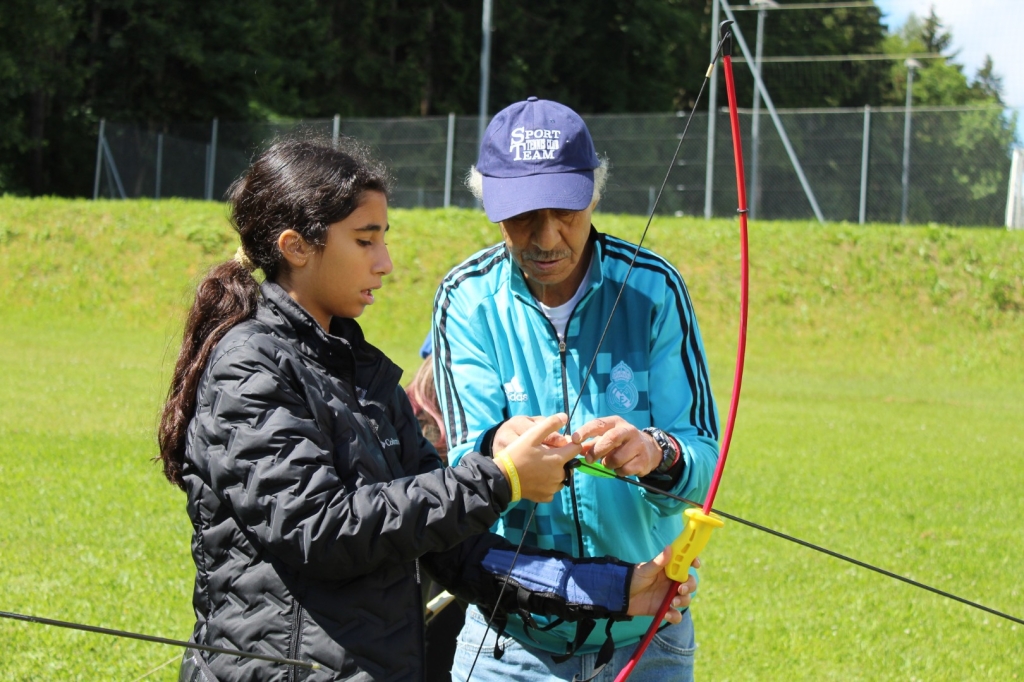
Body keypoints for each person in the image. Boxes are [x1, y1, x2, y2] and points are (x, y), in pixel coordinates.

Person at [155, 138, 698, 682]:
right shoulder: (248, 366)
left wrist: (615, 590)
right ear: (296, 247)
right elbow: (320, 529)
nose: (385, 262)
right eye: (365, 241)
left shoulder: (362, 372)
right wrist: (502, 479)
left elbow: (452, 549)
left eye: (384, 239)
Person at [432, 98, 720, 681]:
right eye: (521, 215)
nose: (546, 238)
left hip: (648, 638)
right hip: (509, 641)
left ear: (593, 193)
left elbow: (703, 461)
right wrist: (499, 451)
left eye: (564, 210)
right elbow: (463, 465)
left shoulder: (654, 289)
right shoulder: (466, 297)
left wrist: (656, 453)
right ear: (489, 204)